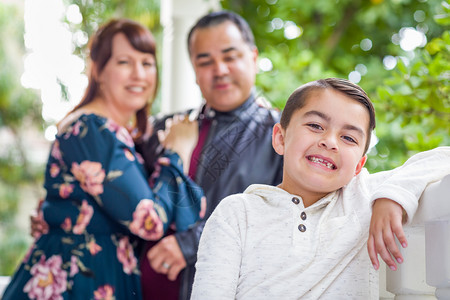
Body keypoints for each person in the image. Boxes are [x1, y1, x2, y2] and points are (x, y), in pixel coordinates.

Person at [190, 78, 450, 299]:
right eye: (315, 126)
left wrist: (391, 197)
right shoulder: (236, 213)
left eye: (348, 137)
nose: (329, 142)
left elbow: (443, 157)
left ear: (359, 165)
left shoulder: (362, 197)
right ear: (280, 138)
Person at [3, 18, 204, 300]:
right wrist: (177, 152)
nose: (139, 74)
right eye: (124, 62)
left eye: (147, 63)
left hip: (101, 274)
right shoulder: (90, 129)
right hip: (78, 281)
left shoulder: (116, 133)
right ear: (99, 70)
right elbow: (149, 220)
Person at [136, 10, 284, 299]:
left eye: (230, 57)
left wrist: (191, 243)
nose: (220, 70)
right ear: (193, 70)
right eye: (205, 61)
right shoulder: (163, 129)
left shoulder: (280, 135)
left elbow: (283, 216)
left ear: (253, 58)